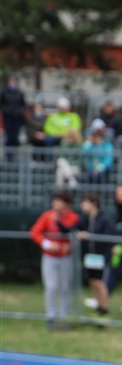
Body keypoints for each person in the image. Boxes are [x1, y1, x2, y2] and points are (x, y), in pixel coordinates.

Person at [29, 190, 81, 329]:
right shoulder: (47, 216)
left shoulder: (73, 217)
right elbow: (35, 232)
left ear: (66, 203)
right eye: (54, 201)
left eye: (59, 201)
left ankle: (64, 316)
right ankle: (51, 315)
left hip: (66, 257)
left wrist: (69, 245)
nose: (55, 204)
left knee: (65, 287)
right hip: (50, 257)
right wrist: (47, 244)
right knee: (51, 287)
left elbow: (76, 234)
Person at [75, 193, 115, 316]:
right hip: (89, 255)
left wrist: (90, 236)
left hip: (100, 255)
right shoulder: (85, 218)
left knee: (99, 281)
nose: (82, 205)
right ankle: (98, 305)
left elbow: (108, 236)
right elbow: (73, 228)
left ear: (93, 203)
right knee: (92, 280)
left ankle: (104, 307)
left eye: (85, 203)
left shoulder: (104, 219)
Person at [1, 75, 26, 156]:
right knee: (9, 136)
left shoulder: (19, 92)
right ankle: (8, 155)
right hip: (8, 117)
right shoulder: (4, 92)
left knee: (15, 136)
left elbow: (23, 104)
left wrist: (19, 111)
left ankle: (15, 155)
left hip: (17, 117)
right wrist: (6, 110)